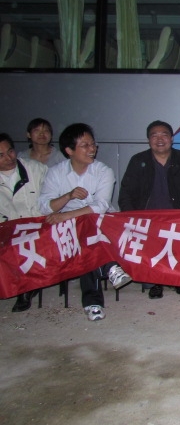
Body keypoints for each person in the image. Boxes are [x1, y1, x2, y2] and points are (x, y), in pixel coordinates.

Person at [38, 123, 131, 321]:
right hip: (69, 229)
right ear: (69, 150)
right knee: (87, 238)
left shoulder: (103, 171)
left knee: (88, 233)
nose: (92, 149)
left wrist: (67, 215)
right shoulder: (55, 173)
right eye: (85, 145)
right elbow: (45, 206)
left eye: (93, 144)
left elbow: (101, 205)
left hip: (100, 223)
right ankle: (108, 267)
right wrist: (68, 196)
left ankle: (93, 302)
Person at [119, 120, 180, 299]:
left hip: (179, 216)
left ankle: (179, 280)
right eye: (154, 135)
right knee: (151, 259)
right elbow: (125, 192)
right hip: (148, 219)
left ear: (172, 138)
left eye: (164, 135)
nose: (159, 139)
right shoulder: (138, 160)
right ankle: (156, 281)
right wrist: (131, 218)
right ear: (148, 140)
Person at [0, 132, 48, 312]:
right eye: (1, 155)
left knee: (23, 244)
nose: (9, 158)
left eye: (10, 151)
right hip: (7, 228)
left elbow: (50, 202)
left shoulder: (36, 170)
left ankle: (26, 289)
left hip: (38, 225)